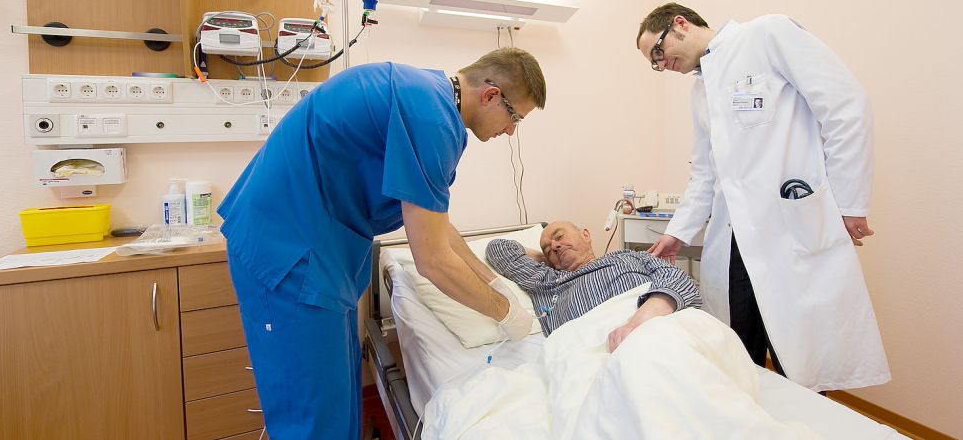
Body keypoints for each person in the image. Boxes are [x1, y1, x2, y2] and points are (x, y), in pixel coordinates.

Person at [217, 48, 545, 440]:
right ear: (490, 95)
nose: (511, 132)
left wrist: (492, 281)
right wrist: (505, 313)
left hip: (318, 253)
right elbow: (433, 260)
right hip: (286, 251)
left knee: (337, 405)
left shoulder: (429, 98)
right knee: (313, 421)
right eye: (515, 117)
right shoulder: (430, 117)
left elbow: (436, 225)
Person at [635, 2, 890, 392]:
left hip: (789, 229)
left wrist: (849, 203)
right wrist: (678, 232)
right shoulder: (700, 91)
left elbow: (845, 107)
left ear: (679, 25)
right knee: (739, 357)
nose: (660, 64)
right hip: (734, 240)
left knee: (800, 360)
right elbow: (705, 172)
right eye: (653, 63)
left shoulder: (767, 36)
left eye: (657, 51)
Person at [486, 221, 700, 352]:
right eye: (548, 248)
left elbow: (678, 279)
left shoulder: (629, 256)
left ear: (585, 235)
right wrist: (549, 258)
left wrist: (635, 325)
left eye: (559, 236)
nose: (555, 245)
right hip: (595, 346)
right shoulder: (548, 281)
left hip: (658, 325)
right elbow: (499, 248)